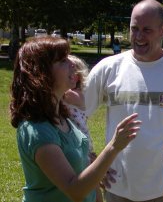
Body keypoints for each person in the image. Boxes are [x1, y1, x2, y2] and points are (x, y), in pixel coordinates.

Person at [84, 0, 163, 202]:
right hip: (117, 187)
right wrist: (90, 160)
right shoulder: (108, 68)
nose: (138, 36)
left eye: (147, 30)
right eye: (134, 28)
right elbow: (74, 115)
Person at [10, 36, 141, 202]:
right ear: (42, 73)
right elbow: (75, 190)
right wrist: (114, 147)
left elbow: (85, 172)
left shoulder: (64, 116)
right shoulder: (37, 130)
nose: (72, 64)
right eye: (63, 60)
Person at [63, 54, 103, 202]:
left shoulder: (75, 95)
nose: (70, 76)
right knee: (90, 179)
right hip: (73, 140)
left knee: (90, 179)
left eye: (73, 73)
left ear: (79, 77)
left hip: (81, 141)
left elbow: (62, 96)